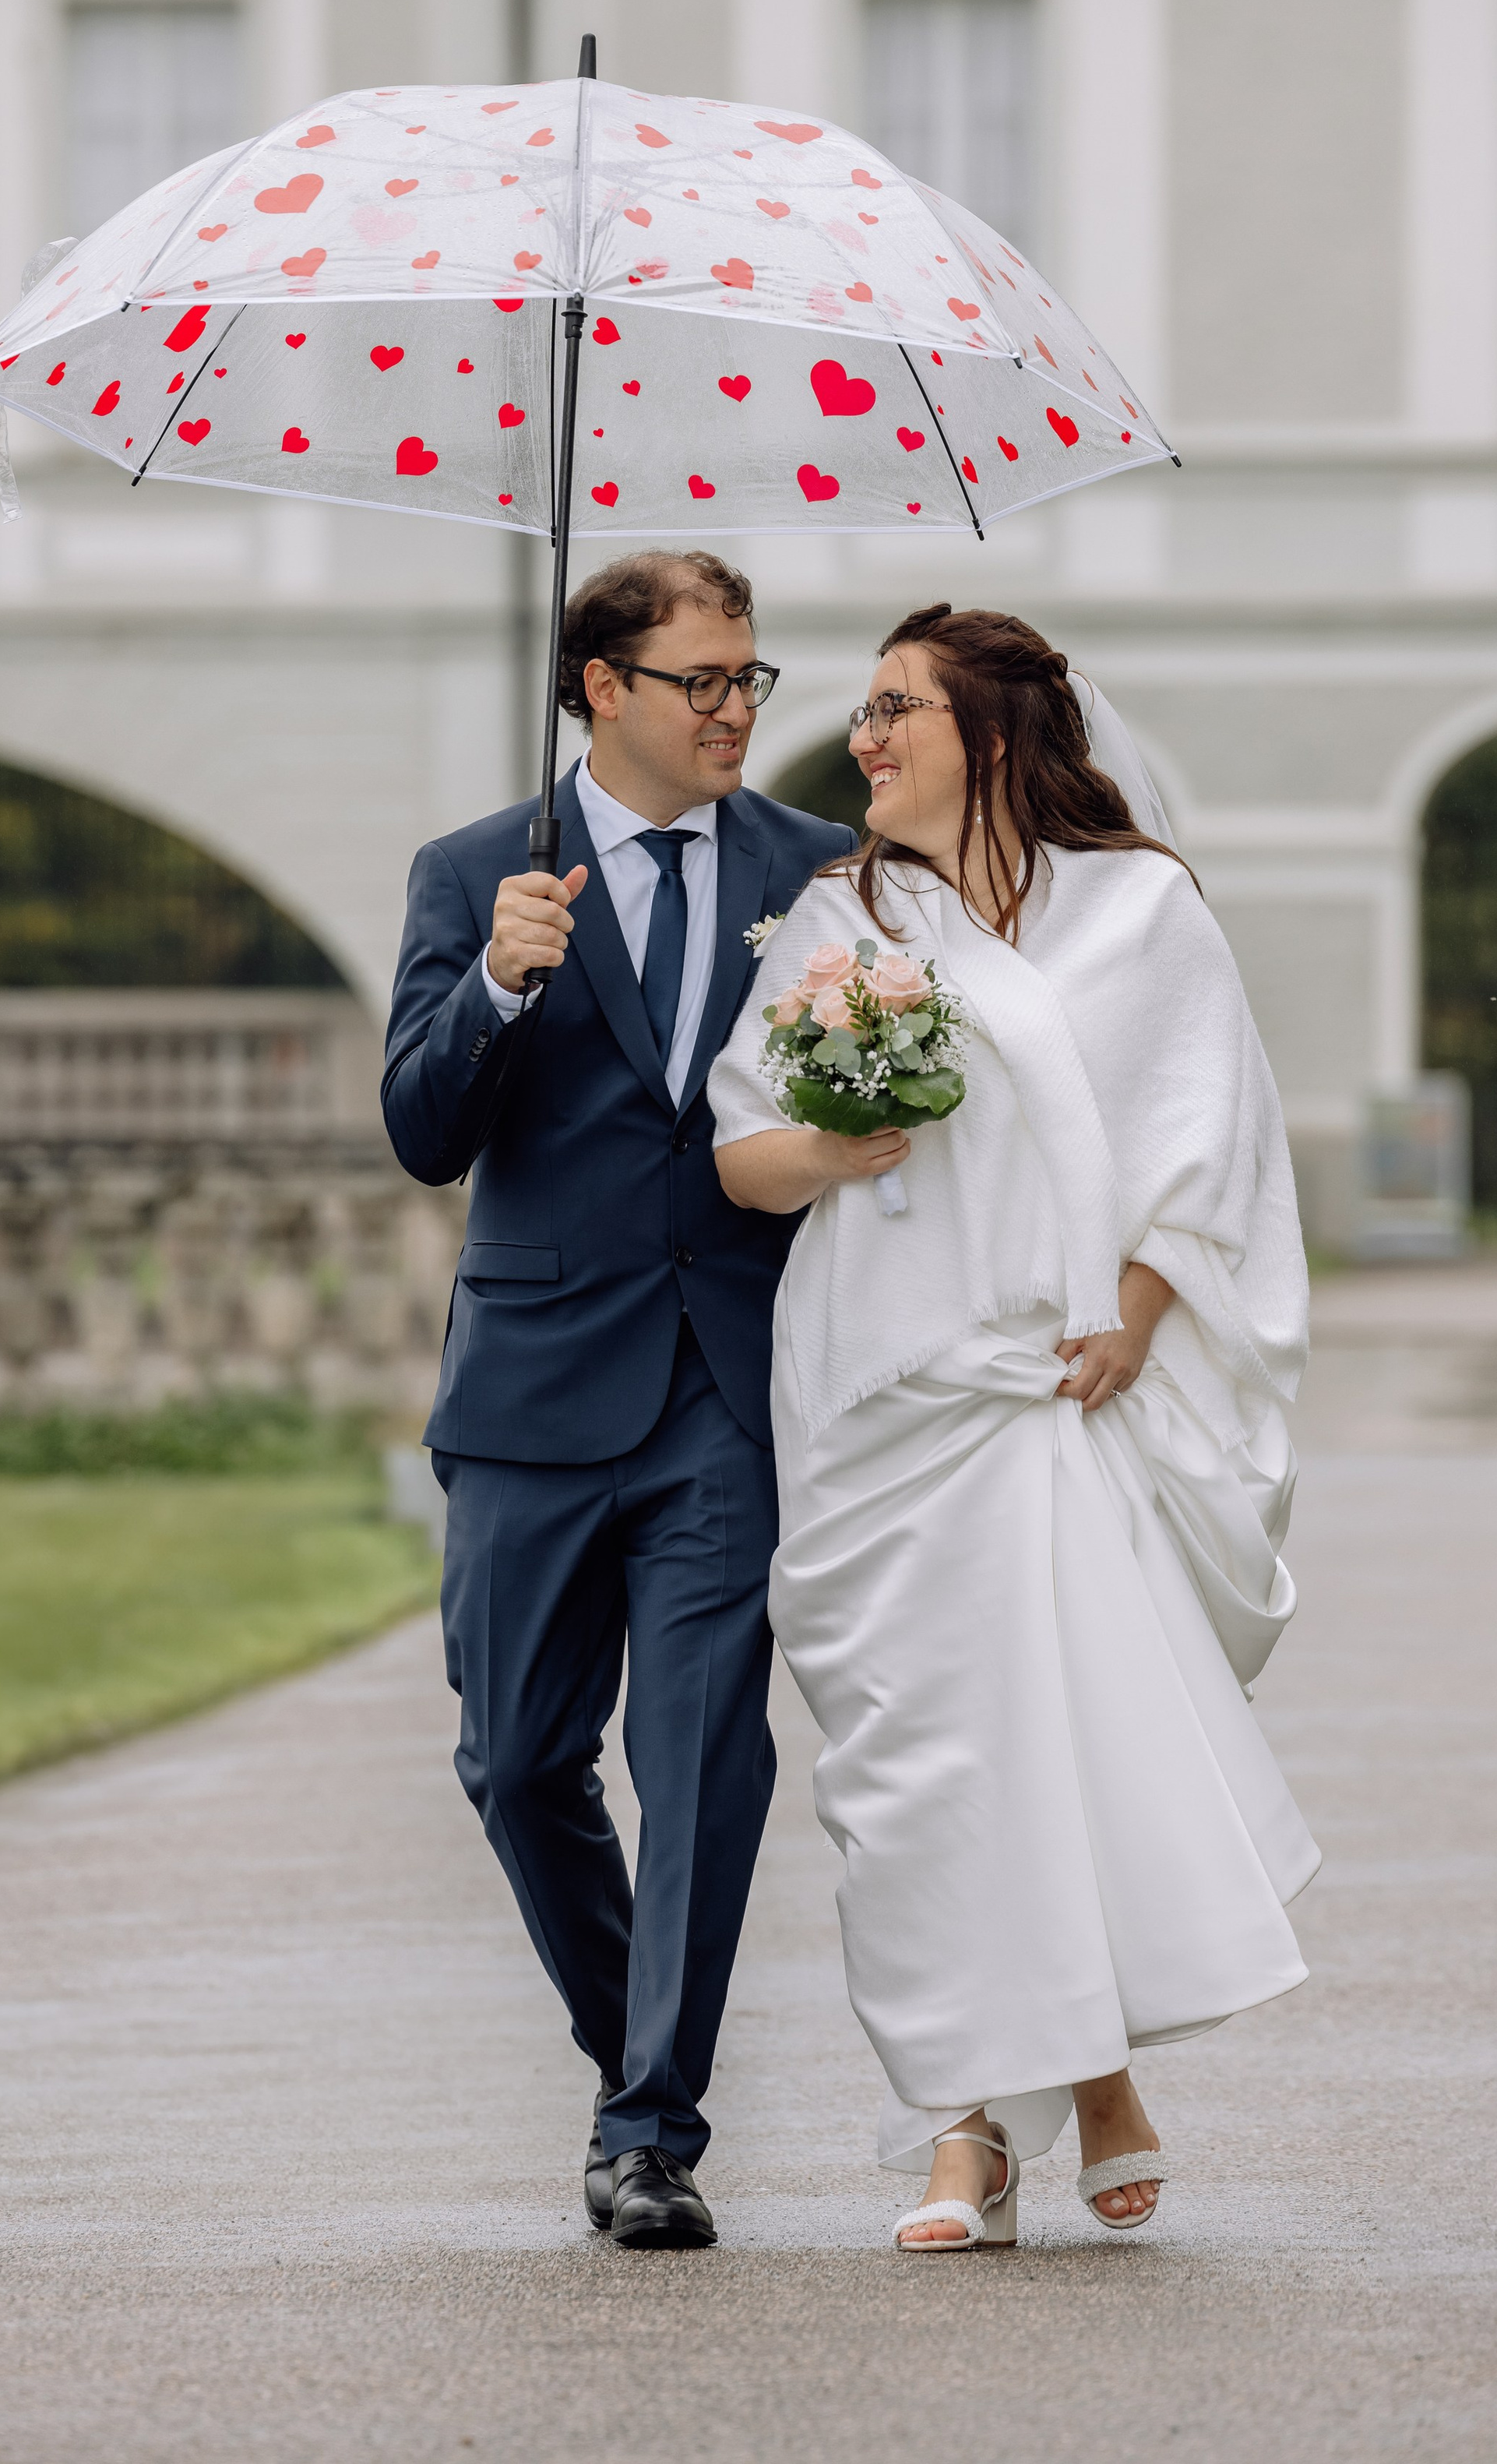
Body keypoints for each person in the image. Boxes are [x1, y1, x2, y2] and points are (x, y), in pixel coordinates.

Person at [710, 602, 1317, 2252]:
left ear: (989, 726)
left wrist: (1131, 1309)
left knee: (1051, 1738)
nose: (861, 735)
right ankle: (1027, 2094)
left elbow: (1214, 1144)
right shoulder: (842, 913)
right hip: (876, 1384)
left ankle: (993, 2119)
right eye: (864, 706)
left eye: (896, 704)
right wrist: (839, 1143)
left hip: (1057, 1385)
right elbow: (739, 1147)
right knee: (908, 1766)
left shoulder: (1141, 913)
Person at [382, 549, 851, 2252]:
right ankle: (623, 2055)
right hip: (528, 1389)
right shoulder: (474, 872)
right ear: (600, 688)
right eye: (703, 681)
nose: (736, 708)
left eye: (749, 678)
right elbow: (423, 1132)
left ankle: (653, 2126)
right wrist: (496, 984)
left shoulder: (819, 876)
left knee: (705, 1759)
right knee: (515, 1761)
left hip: (728, 1383)